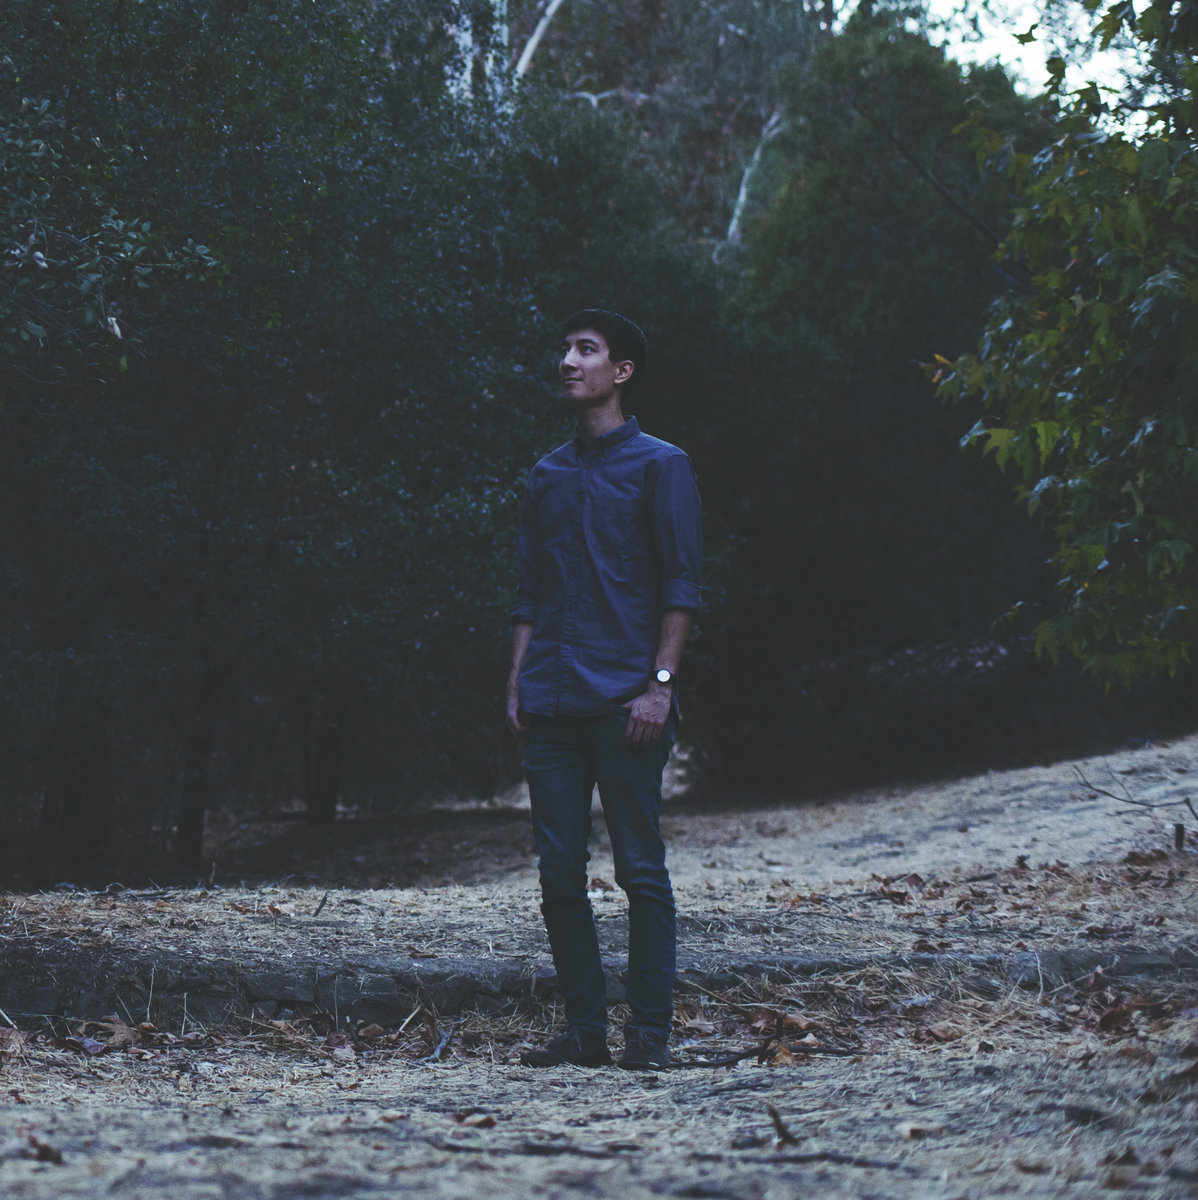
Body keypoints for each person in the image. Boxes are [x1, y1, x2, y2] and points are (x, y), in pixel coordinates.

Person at [506, 309, 703, 1070]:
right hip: (551, 704)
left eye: (585, 350)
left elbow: (682, 586)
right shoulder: (547, 474)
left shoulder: (662, 466)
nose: (567, 361)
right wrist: (517, 680)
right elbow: (529, 591)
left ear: (621, 372)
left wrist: (660, 686)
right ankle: (584, 1033)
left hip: (628, 706)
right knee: (559, 874)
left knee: (640, 872)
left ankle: (649, 1035)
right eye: (564, 349)